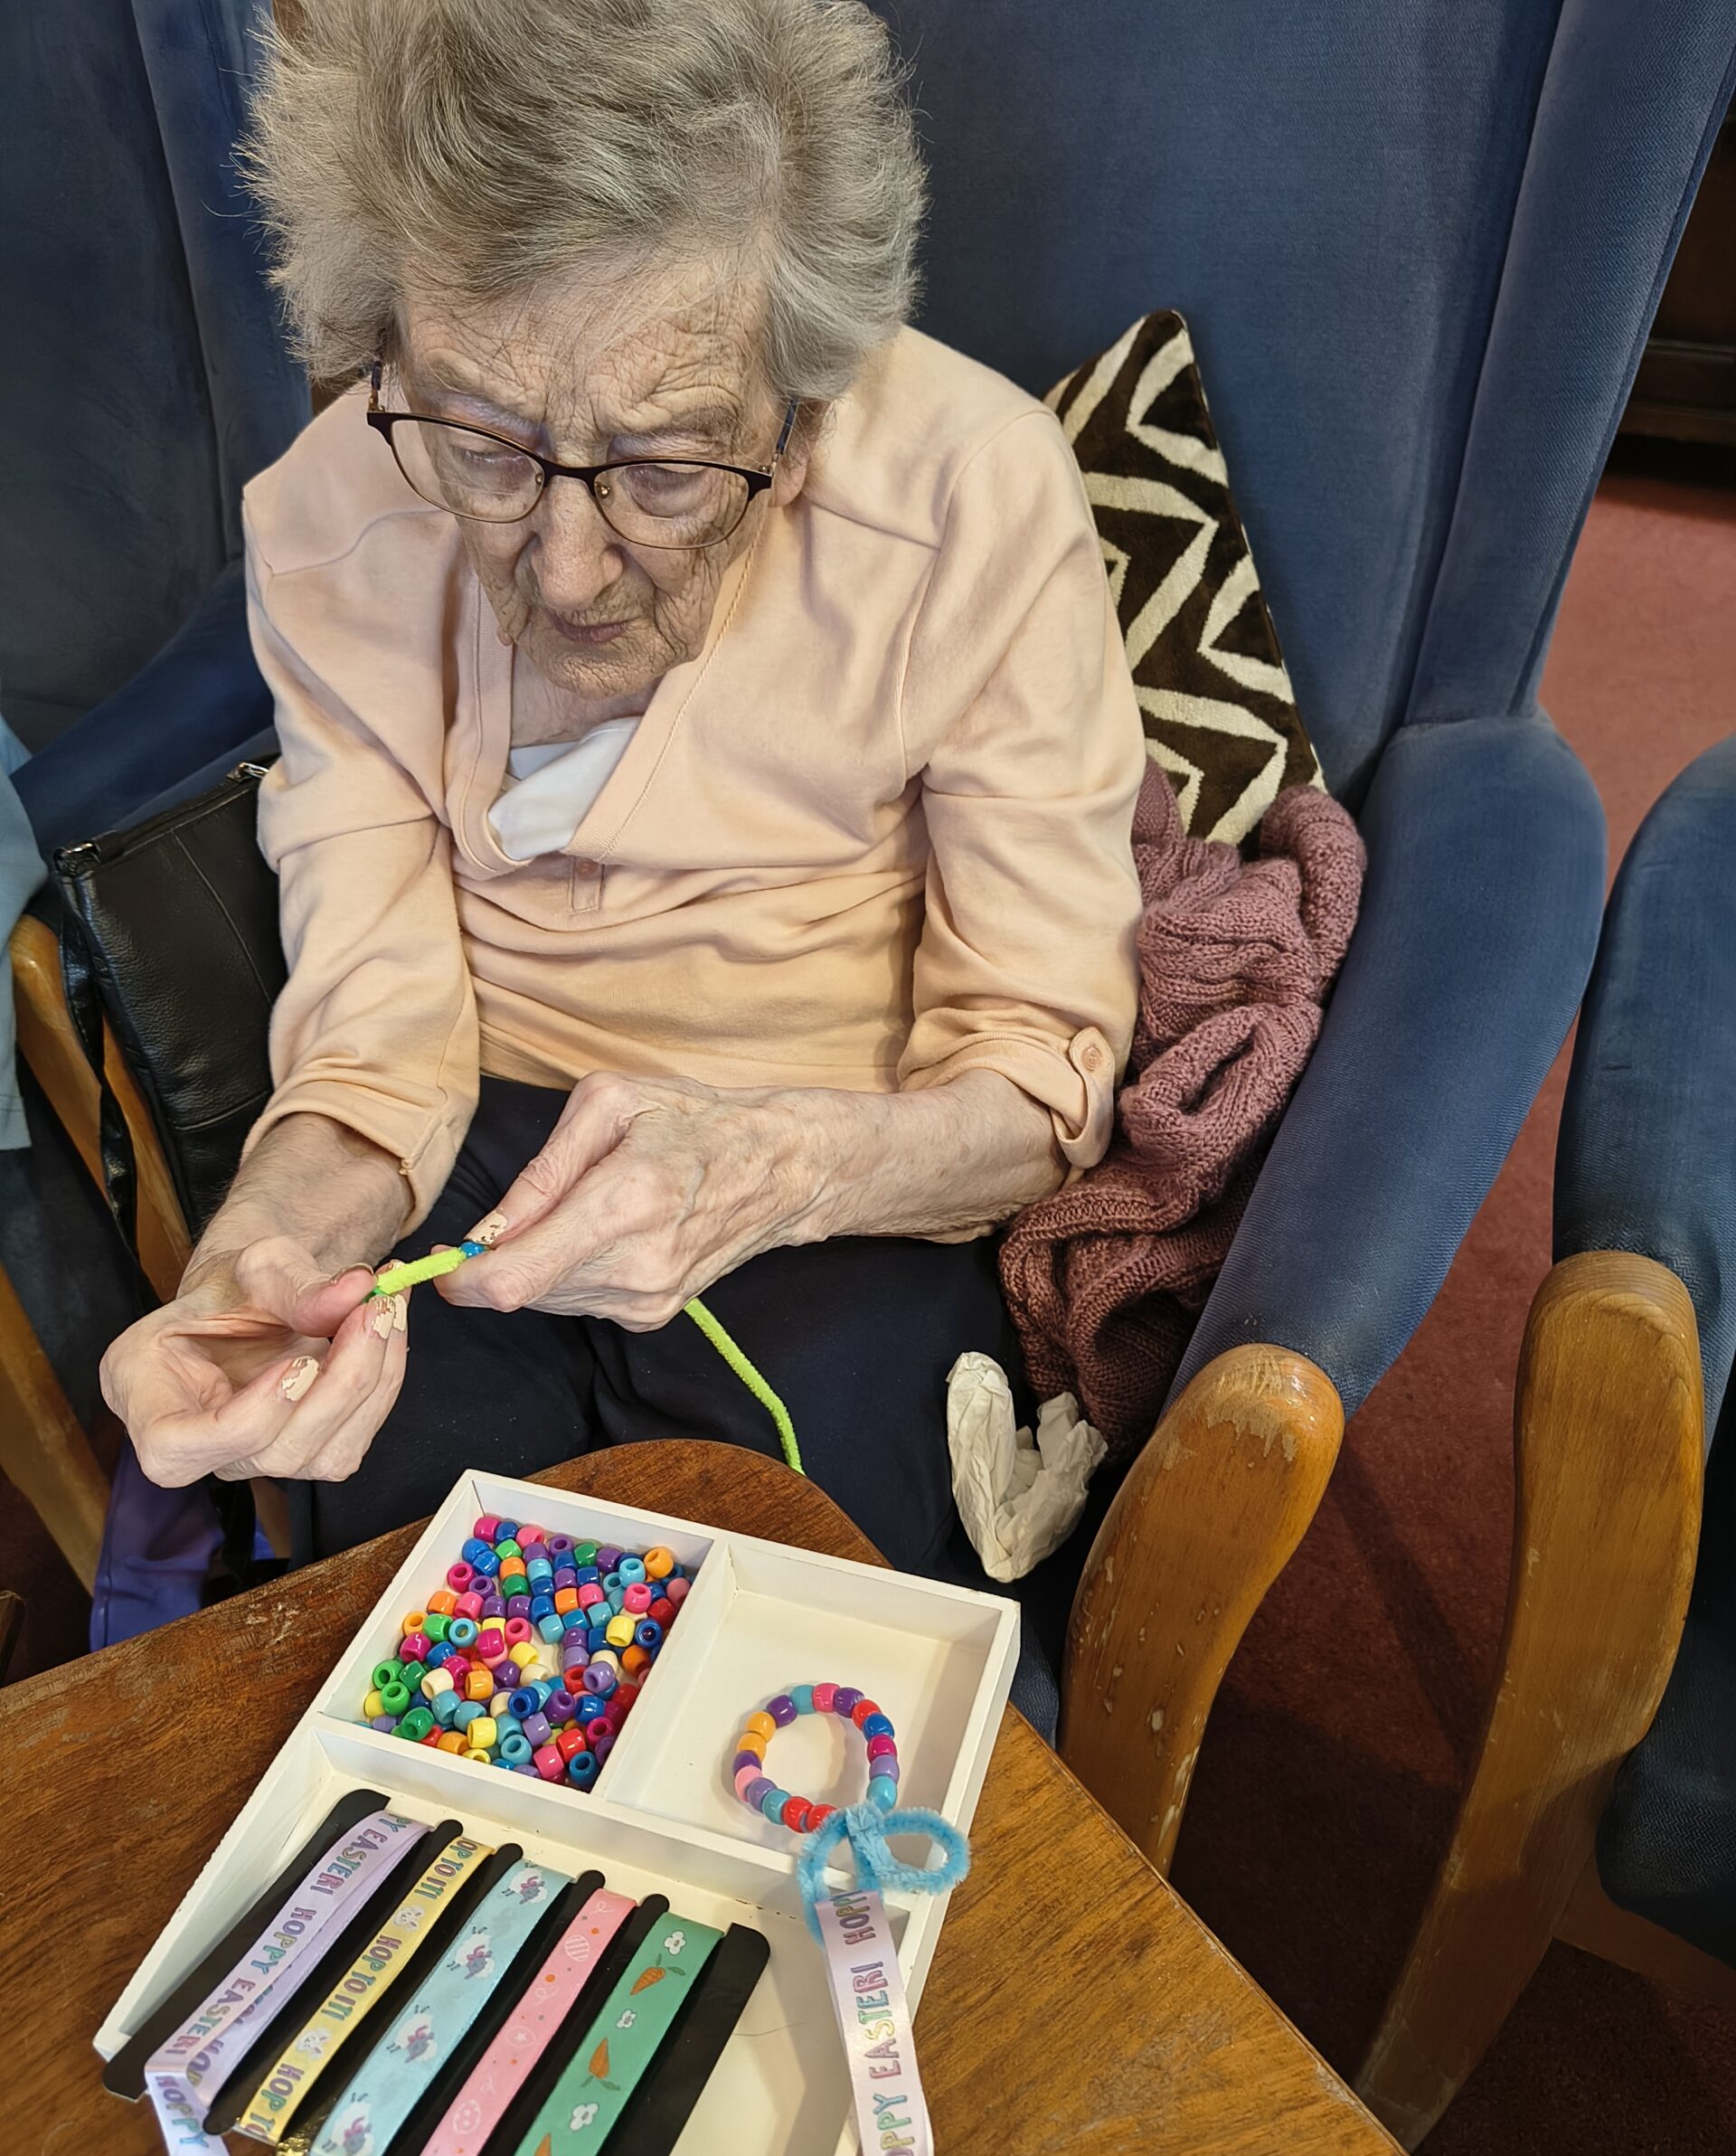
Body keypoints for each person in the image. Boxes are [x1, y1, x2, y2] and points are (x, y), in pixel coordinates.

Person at [100, 0, 1143, 1591]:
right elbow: (377, 1034)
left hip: (842, 1152)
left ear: (800, 426)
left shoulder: (973, 505)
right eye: (485, 447)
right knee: (404, 1638)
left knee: (798, 1637)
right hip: (466, 1142)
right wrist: (267, 1250)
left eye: (664, 468)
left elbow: (1035, 1070)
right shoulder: (328, 523)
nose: (569, 570)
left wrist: (777, 1165)